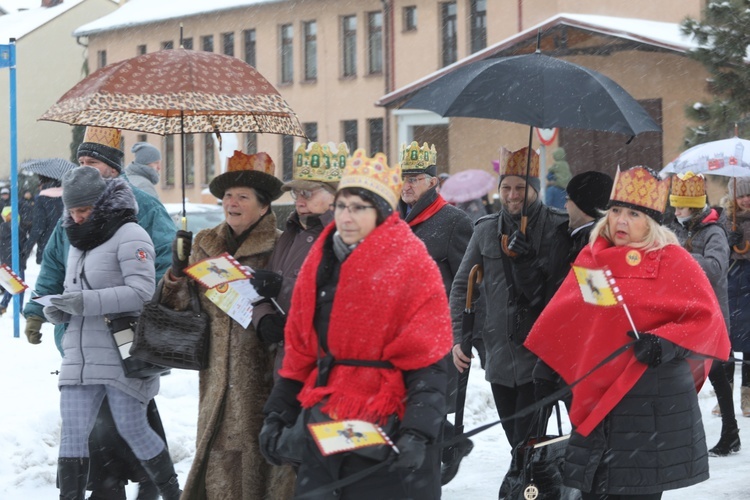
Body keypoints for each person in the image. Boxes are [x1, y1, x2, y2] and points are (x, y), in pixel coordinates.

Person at [526, 166, 730, 500]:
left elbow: (706, 323)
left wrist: (664, 342)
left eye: (633, 213)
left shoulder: (675, 260)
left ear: (649, 221)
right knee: (593, 488)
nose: (620, 221)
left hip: (649, 406)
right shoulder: (594, 260)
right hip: (596, 398)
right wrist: (547, 366)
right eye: (616, 211)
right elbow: (579, 318)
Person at [259, 148, 452, 499]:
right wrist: (276, 415)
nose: (347, 216)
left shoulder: (413, 265)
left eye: (359, 208)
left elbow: (429, 365)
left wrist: (417, 434)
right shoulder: (321, 262)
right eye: (342, 206)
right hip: (326, 421)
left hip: (391, 428)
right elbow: (299, 355)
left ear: (381, 213)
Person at [22, 127, 175, 499]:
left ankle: (151, 484)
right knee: (85, 429)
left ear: (111, 168)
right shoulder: (73, 213)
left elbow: (162, 268)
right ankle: (104, 488)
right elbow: (55, 267)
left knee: (131, 421)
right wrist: (38, 310)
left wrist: (140, 309)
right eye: (81, 162)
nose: (84, 168)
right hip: (79, 341)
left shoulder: (143, 209)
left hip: (127, 341)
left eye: (92, 162)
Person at [162, 150, 295, 499]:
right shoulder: (205, 245)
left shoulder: (280, 247)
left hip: (262, 379)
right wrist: (177, 273)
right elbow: (178, 307)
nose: (231, 204)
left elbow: (295, 310)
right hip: (215, 378)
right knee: (219, 465)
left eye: (242, 197)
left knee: (259, 465)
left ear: (264, 207)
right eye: (228, 197)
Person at [450, 146, 571, 452]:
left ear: (535, 189)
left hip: (541, 359)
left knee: (526, 445)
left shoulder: (557, 227)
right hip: (500, 357)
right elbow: (463, 284)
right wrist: (457, 338)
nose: (512, 195)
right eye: (506, 187)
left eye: (521, 188)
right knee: (517, 444)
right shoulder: (486, 230)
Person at [396, 141, 475, 485]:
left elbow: (467, 285)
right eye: (405, 177)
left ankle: (435, 462)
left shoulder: (454, 222)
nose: (408, 184)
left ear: (432, 182)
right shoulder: (396, 220)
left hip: (435, 336)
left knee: (425, 409)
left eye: (416, 178)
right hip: (398, 335)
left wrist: (463, 337)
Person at [250, 142, 342, 373]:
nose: (300, 200)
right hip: (289, 365)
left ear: (334, 194)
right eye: (296, 193)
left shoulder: (345, 236)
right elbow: (262, 294)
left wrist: (282, 287)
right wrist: (263, 319)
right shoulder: (290, 233)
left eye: (308, 193)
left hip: (328, 367)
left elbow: (340, 299)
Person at [668, 172, 737, 456]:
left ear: (695, 207)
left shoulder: (714, 231)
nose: (676, 212)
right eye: (675, 207)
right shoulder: (675, 227)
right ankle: (684, 438)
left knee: (718, 375)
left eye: (682, 208)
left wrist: (682, 257)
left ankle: (730, 433)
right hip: (684, 313)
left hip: (711, 315)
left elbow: (716, 268)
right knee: (685, 379)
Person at [722, 176, 750, 417]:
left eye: (749, 194)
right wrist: (726, 244)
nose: (746, 199)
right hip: (731, 284)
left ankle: (748, 398)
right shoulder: (723, 221)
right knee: (726, 344)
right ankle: (724, 398)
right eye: (741, 195)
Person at [565, 170, 614, 260]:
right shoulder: (579, 238)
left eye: (567, 199)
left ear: (583, 207)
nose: (565, 206)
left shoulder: (588, 245)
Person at [0, 206, 28, 314]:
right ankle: (17, 308)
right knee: (18, 285)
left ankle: (4, 304)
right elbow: (23, 246)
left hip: (5, 260)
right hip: (16, 260)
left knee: (13, 284)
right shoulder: (17, 229)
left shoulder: (1, 228)